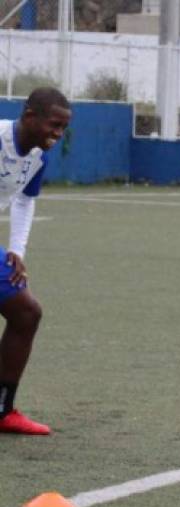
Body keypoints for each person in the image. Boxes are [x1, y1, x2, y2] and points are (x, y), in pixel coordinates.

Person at [0, 87, 71, 436]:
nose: (57, 134)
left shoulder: (38, 157)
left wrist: (17, 250)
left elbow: (25, 200)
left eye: (63, 128)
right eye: (53, 125)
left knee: (26, 312)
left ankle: (2, 410)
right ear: (30, 117)